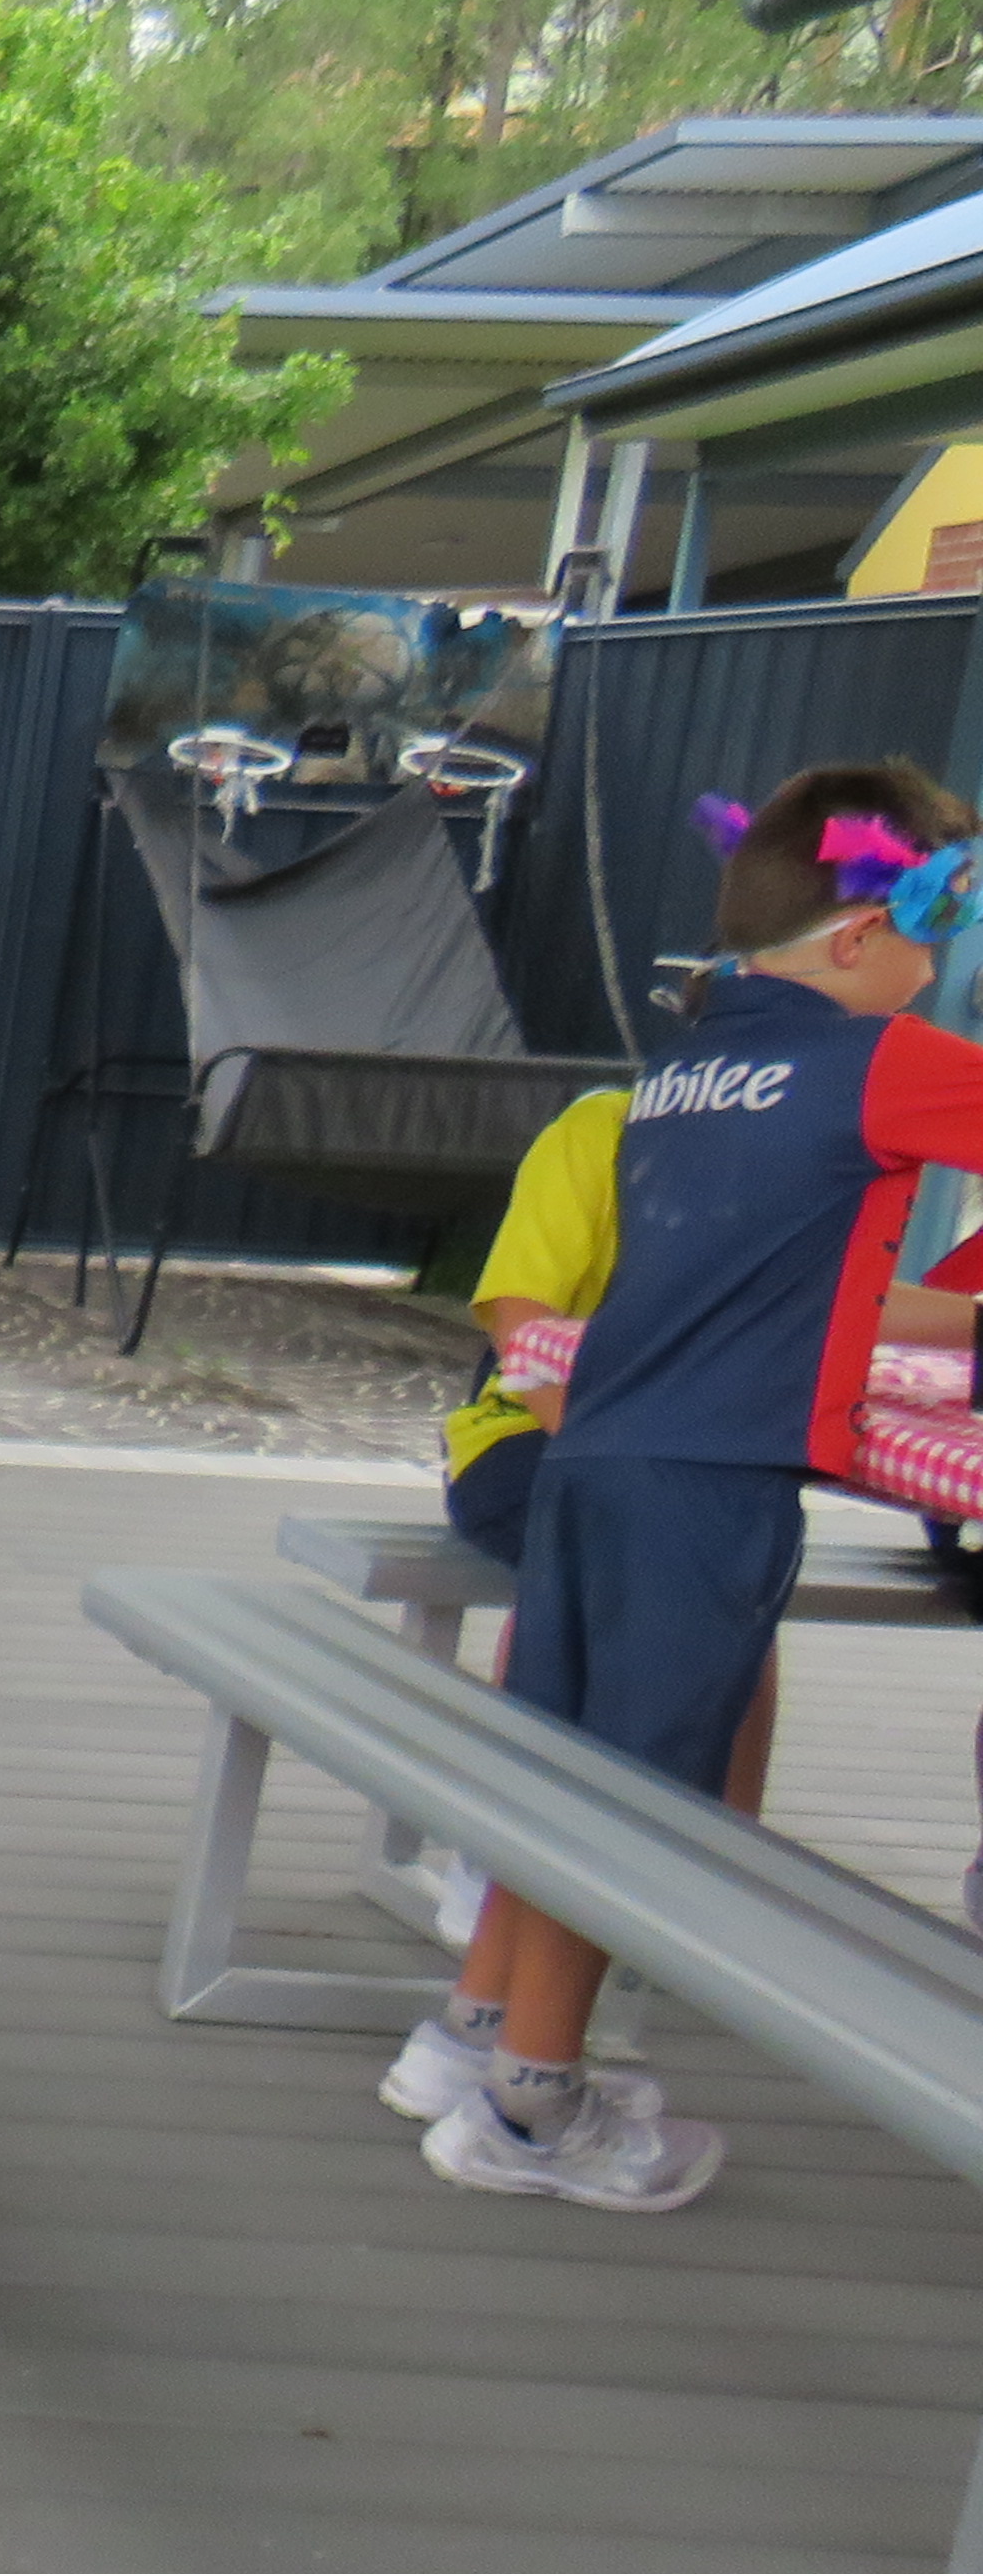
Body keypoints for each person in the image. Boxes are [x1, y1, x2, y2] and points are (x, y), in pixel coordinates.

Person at [407, 767, 983, 2215]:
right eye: (938, 937)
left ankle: (474, 2035)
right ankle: (535, 2112)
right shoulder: (880, 1060)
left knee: (559, 1767)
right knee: (634, 1802)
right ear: (861, 936)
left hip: (593, 1459)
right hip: (709, 1484)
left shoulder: (687, 1066)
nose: (940, 977)